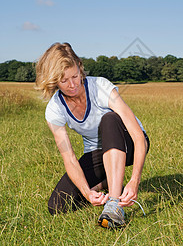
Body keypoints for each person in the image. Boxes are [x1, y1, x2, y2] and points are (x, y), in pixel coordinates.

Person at [35, 42, 150, 229]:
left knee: (109, 119)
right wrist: (87, 193)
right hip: (98, 151)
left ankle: (114, 205)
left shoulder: (101, 87)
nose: (72, 85)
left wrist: (135, 180)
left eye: (75, 76)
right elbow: (69, 158)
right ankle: (106, 183)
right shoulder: (54, 109)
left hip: (130, 143)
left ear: (80, 67)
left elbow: (138, 136)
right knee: (57, 205)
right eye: (64, 80)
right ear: (54, 80)